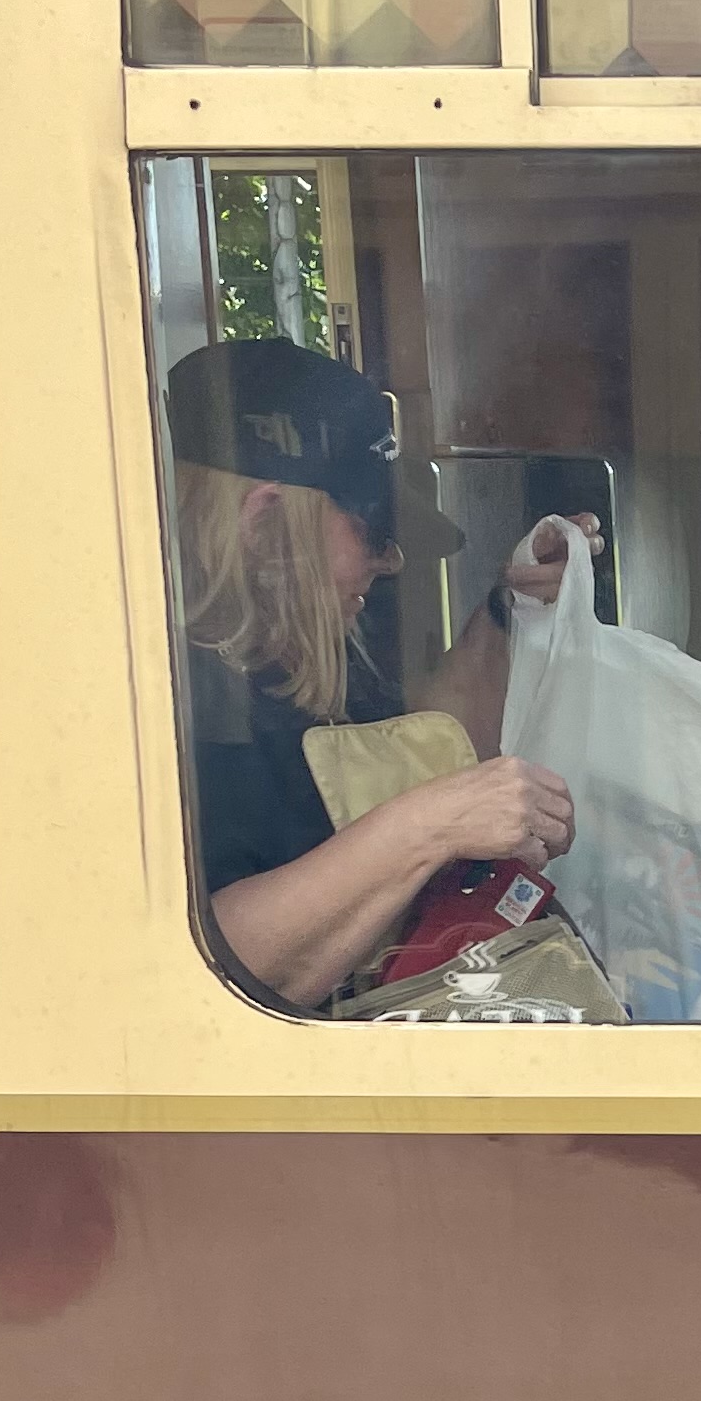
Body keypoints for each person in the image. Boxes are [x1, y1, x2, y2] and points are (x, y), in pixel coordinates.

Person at [164, 337, 584, 1010]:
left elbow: (425, 741)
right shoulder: (169, 703)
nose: (392, 562)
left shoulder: (304, 655)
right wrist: (435, 824)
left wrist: (512, 606)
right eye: (375, 529)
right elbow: (213, 969)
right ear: (265, 523)